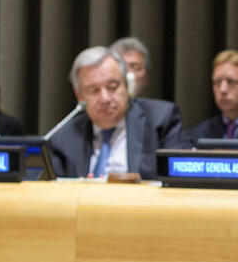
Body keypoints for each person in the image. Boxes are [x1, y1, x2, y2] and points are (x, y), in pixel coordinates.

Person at [51, 46, 175, 179]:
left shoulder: (160, 120)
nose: (105, 99)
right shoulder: (63, 137)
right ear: (79, 96)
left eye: (112, 87)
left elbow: (179, 179)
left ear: (127, 86)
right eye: (94, 90)